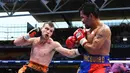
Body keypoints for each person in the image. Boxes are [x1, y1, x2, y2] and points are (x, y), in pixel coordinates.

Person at [14, 21, 80, 73]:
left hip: (42, 71)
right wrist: (28, 35)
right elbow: (16, 43)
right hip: (29, 69)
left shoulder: (53, 44)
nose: (48, 32)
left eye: (51, 31)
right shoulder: (34, 40)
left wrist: (80, 50)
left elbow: (69, 53)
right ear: (41, 29)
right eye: (46, 29)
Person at [65, 2, 112, 73]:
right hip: (85, 64)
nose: (82, 21)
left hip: (100, 66)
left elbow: (93, 49)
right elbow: (83, 47)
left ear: (91, 16)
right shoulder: (86, 31)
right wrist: (75, 41)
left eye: (82, 17)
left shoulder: (103, 30)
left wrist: (81, 39)